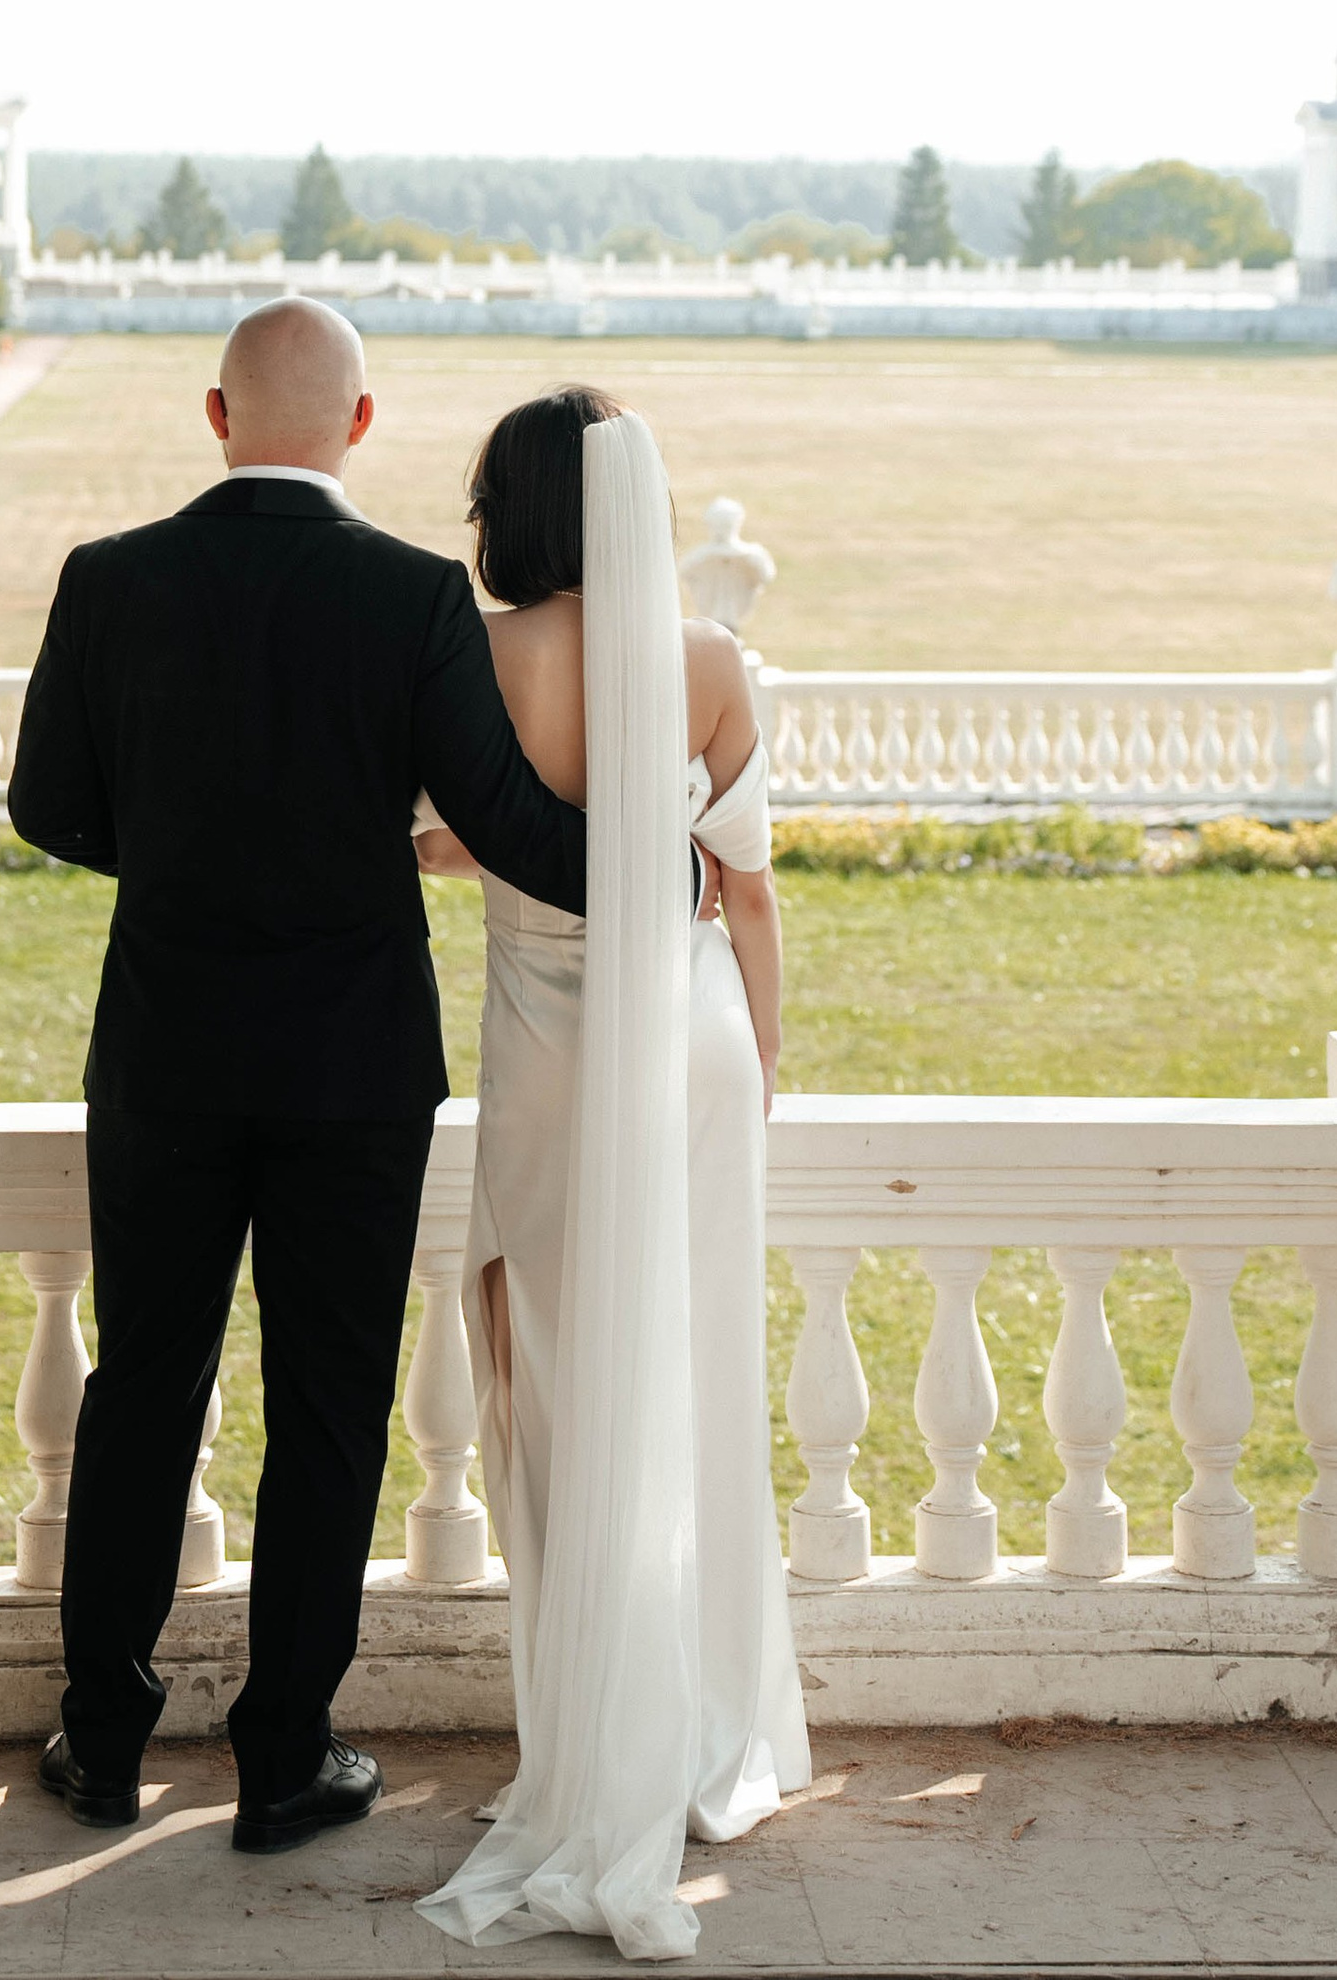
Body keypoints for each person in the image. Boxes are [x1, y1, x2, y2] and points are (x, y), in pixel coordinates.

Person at [6, 297, 588, 1852]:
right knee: (327, 1407)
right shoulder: (409, 596)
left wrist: (189, 851)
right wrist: (677, 872)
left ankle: (105, 1736)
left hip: (166, 1057)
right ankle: (284, 1758)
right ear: (361, 423)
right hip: (352, 1067)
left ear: (215, 415)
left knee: (144, 1393)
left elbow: (46, 807)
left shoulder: (107, 580)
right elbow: (514, 825)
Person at [416, 389, 808, 1961]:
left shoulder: (482, 656)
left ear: (506, 513)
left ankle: (584, 1737)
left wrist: (450, 855)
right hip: (695, 1037)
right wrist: (759, 1072)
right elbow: (748, 891)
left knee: (558, 1381)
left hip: (561, 1052)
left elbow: (481, 831)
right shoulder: (714, 662)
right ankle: (707, 1736)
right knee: (701, 1376)